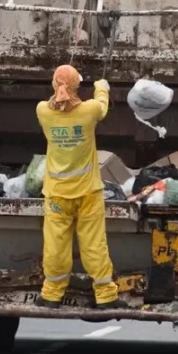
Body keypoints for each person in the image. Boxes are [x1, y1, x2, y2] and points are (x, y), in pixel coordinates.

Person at [34, 65, 127, 310]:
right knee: (94, 245)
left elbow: (57, 103)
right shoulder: (90, 111)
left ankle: (51, 295)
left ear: (54, 85)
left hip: (56, 194)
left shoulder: (43, 111)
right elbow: (102, 106)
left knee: (55, 246)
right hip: (88, 193)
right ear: (77, 87)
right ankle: (106, 295)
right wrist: (101, 86)